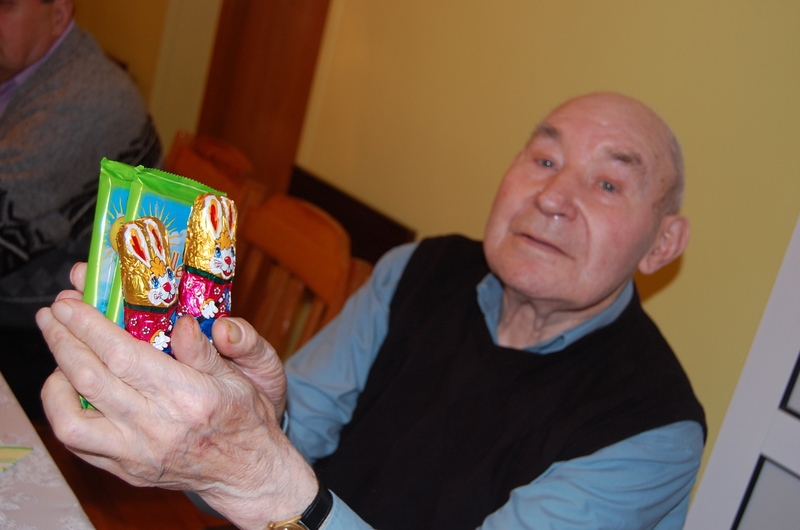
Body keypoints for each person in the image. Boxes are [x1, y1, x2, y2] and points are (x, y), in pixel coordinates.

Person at [38, 92, 705, 529]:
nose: (553, 197)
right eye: (544, 158)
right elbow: (297, 427)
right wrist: (237, 415)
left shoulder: (649, 431)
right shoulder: (419, 270)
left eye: (608, 183)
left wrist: (253, 471)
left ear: (663, 244)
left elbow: (265, 479)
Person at [0, 0, 161, 419]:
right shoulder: (26, 73)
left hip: (61, 342)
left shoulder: (88, 98)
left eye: (5, 6)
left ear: (58, 14)